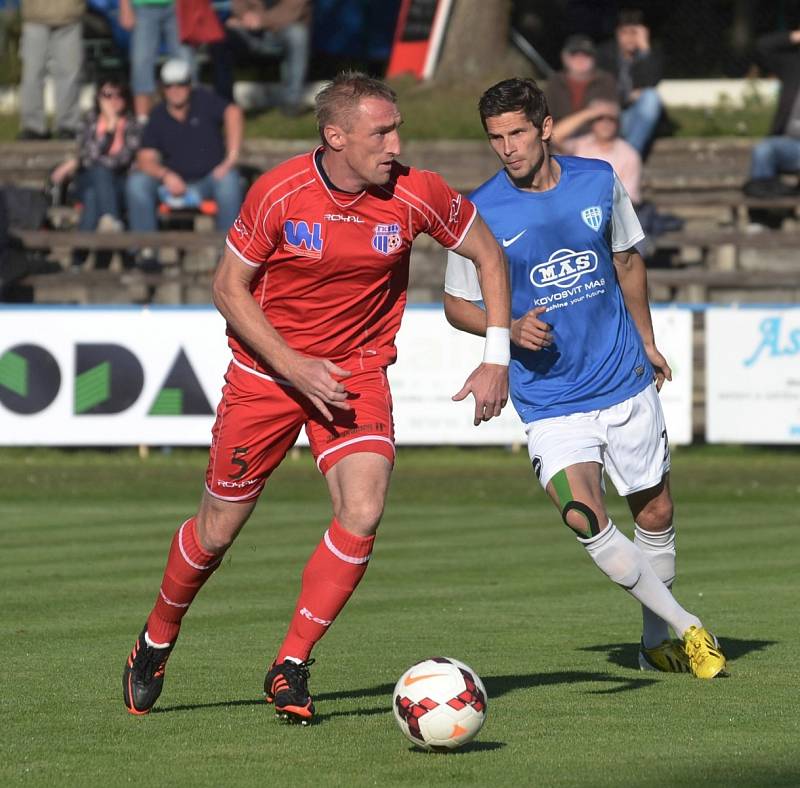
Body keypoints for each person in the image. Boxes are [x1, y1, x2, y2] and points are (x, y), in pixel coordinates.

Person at [122, 71, 511, 722]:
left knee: (363, 507)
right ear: (336, 136)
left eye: (397, 129)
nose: (395, 143)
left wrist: (495, 356)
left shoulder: (418, 192)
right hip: (266, 375)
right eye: (380, 131)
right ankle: (157, 637)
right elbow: (227, 288)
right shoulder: (281, 191)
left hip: (355, 372)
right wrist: (294, 365)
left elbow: (489, 255)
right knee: (217, 530)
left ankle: (291, 665)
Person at [443, 77, 727, 680]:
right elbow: (454, 303)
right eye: (496, 137)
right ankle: (685, 626)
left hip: (622, 377)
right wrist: (511, 328)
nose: (508, 148)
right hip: (550, 397)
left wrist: (647, 342)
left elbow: (627, 260)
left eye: (518, 132)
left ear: (545, 128)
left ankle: (654, 641)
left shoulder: (598, 180)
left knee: (654, 513)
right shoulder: (478, 212)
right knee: (582, 513)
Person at [125, 58, 243, 269]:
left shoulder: (204, 101)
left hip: (209, 180)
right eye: (169, 85)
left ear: (189, 85)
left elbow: (233, 112)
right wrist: (165, 175)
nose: (176, 90)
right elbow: (145, 159)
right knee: (137, 183)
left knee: (230, 180)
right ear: (162, 88)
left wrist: (231, 158)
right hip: (172, 183)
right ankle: (147, 251)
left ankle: (228, 255)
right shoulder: (158, 116)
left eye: (181, 83)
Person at [50, 77, 142, 250]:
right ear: (98, 98)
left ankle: (78, 257)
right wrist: (109, 130)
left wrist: (75, 162)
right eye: (107, 95)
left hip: (120, 181)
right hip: (88, 178)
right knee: (99, 173)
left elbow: (122, 159)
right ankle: (112, 221)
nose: (113, 100)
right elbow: (88, 155)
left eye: (119, 95)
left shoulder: (132, 124)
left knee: (93, 195)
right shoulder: (89, 121)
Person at [211, 0, 311, 116]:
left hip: (282, 31)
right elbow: (238, 3)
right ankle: (225, 105)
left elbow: (293, 10)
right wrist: (243, 16)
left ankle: (291, 102)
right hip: (249, 31)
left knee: (298, 34)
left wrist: (260, 20)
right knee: (222, 36)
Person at [596, 8, 664, 157]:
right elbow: (602, 90)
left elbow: (652, 82)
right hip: (610, 113)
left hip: (635, 117)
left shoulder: (649, 54)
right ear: (617, 33)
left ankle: (629, 156)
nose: (630, 38)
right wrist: (627, 96)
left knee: (651, 97)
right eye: (625, 32)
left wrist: (645, 50)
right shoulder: (604, 55)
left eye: (634, 33)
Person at [742, 28, 800, 198]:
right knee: (764, 149)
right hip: (792, 145)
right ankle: (764, 215)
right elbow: (762, 47)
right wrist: (794, 37)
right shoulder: (794, 66)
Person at [551, 98, 642, 205]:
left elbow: (627, 200)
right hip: (574, 207)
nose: (605, 123)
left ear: (618, 123)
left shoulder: (629, 154)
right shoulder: (580, 145)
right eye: (599, 118)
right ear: (591, 122)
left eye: (611, 119)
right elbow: (553, 136)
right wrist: (589, 113)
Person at [18, 0, 85, 140]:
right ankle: (33, 127)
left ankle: (68, 126)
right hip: (35, 16)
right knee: (32, 74)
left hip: (69, 15)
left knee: (69, 74)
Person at [118, 0, 195, 121]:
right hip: (143, 7)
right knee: (141, 63)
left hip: (178, 5)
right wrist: (125, 6)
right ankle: (142, 123)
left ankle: (194, 118)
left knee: (187, 61)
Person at [544, 34, 617, 141]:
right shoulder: (555, 82)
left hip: (596, 142)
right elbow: (546, 122)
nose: (580, 59)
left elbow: (611, 115)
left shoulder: (606, 81)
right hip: (559, 142)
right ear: (565, 57)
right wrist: (590, 112)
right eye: (574, 54)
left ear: (594, 58)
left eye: (586, 54)